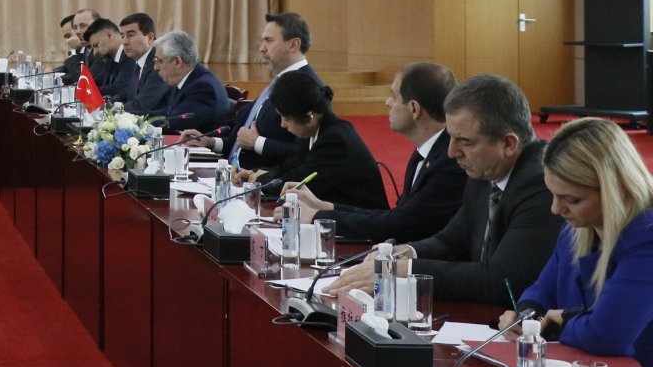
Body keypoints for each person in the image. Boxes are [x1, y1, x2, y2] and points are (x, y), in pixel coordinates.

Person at [332, 74, 560, 304]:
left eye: (465, 141)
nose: (451, 152)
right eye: (450, 138)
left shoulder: (542, 185)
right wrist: (406, 252)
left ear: (508, 144)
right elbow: (452, 241)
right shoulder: (484, 169)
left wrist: (404, 271)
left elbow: (503, 281)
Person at [498, 118, 653, 367]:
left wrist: (563, 322)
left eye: (572, 199)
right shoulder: (576, 229)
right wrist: (526, 317)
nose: (556, 209)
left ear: (615, 189)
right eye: (554, 195)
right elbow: (542, 291)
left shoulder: (647, 237)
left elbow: (607, 334)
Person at [297, 62, 466, 242]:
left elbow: (400, 225)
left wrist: (318, 216)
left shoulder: (450, 161)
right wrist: (325, 207)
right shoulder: (427, 152)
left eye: (393, 96)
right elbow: (398, 215)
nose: (387, 102)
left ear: (414, 109)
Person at [185, 13, 328, 170]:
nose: (261, 49)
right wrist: (210, 142)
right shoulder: (278, 83)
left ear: (293, 45)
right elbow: (243, 138)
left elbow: (308, 153)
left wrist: (258, 143)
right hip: (231, 175)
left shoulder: (311, 88)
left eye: (269, 40)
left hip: (265, 185)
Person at [240, 69, 388, 209]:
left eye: (286, 118)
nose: (282, 124)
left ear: (309, 115)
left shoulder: (335, 141)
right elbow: (289, 166)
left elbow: (299, 182)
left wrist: (259, 180)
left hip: (361, 227)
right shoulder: (313, 131)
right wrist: (253, 173)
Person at [152, 30, 230, 134]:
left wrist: (138, 125)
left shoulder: (203, 88)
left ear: (177, 62)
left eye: (160, 61)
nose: (155, 67)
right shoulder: (187, 80)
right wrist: (130, 117)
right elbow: (166, 114)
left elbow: (175, 124)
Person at [116, 12, 164, 113]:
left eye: (130, 35)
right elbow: (123, 94)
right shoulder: (137, 63)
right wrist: (104, 104)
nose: (124, 42)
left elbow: (141, 105)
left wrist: (112, 110)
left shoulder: (159, 65)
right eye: (122, 36)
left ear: (150, 38)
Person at [82, 18, 127, 98]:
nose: (95, 52)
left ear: (109, 35)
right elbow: (98, 80)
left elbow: (118, 88)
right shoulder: (110, 58)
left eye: (96, 45)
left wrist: (87, 92)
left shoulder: (129, 56)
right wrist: (79, 88)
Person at [60, 8, 100, 85]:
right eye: (75, 27)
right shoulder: (86, 49)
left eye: (83, 26)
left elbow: (81, 78)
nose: (78, 31)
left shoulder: (102, 50)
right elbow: (69, 70)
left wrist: (72, 51)